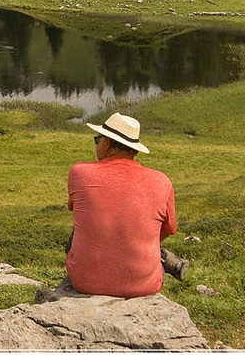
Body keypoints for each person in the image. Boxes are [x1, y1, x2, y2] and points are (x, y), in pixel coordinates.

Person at [60, 112, 182, 298]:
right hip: (144, 285)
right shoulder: (162, 181)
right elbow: (168, 230)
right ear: (135, 149)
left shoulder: (79, 172)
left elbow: (78, 212)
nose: (97, 145)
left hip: (85, 281)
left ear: (107, 143)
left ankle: (163, 257)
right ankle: (164, 258)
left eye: (97, 140)